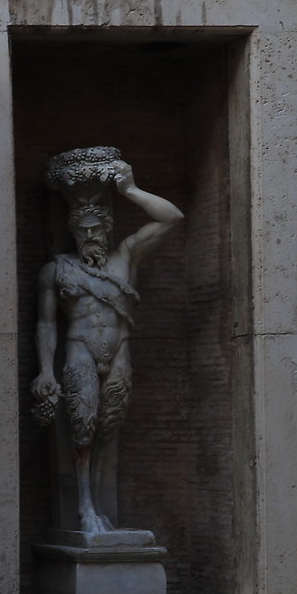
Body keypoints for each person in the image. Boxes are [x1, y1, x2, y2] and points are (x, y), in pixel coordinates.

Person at [29, 148, 181, 536]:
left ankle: (99, 507)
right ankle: (84, 508)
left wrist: (129, 188)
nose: (90, 237)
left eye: (97, 230)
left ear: (107, 228)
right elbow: (46, 324)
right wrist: (45, 370)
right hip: (79, 348)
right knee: (82, 427)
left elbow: (172, 218)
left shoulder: (125, 258)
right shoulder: (57, 269)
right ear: (73, 231)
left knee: (109, 428)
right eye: (83, 231)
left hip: (119, 351)